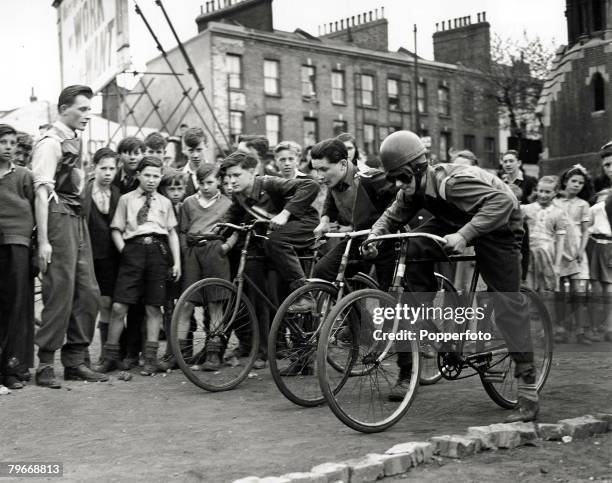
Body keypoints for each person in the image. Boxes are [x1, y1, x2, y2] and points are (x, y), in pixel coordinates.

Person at [364, 130, 539, 422]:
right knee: (412, 245)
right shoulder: (412, 188)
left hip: (500, 226)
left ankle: (529, 389)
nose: (398, 185)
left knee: (506, 304)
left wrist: (465, 234)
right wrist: (374, 237)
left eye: (402, 178)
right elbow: (392, 214)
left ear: (419, 169)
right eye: (393, 178)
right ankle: (425, 310)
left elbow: (502, 203)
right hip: (454, 219)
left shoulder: (452, 183)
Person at [31, 85, 107, 387]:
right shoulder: (50, 142)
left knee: (88, 291)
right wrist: (44, 240)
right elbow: (41, 193)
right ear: (64, 109)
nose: (88, 115)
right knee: (59, 290)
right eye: (83, 109)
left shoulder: (74, 138)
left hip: (76, 219)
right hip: (57, 217)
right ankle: (46, 365)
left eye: (90, 109)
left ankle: (75, 361)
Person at [221, 151, 319, 367]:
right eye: (228, 177)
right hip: (273, 245)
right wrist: (217, 231)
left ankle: (305, 297)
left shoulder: (269, 183)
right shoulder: (240, 196)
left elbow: (310, 186)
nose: (231, 181)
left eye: (236, 175)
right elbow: (233, 214)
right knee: (269, 298)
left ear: (252, 172)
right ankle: (273, 351)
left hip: (300, 230)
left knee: (291, 296)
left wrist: (285, 213)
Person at [97, 156, 181, 376]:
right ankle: (111, 357)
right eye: (147, 175)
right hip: (132, 250)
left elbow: (171, 232)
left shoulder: (164, 202)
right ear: (138, 175)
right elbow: (116, 228)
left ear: (160, 177)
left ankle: (150, 359)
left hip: (158, 251)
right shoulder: (126, 199)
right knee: (119, 306)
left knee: (153, 307)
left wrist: (177, 261)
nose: (151, 180)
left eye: (156, 176)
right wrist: (125, 251)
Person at [310, 138, 396, 288]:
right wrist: (324, 222)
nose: (319, 176)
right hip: (359, 238)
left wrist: (381, 230)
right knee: (323, 270)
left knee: (386, 296)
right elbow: (330, 204)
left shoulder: (370, 178)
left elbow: (401, 199)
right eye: (316, 169)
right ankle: (350, 308)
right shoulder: (334, 179)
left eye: (323, 169)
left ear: (343, 164)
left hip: (385, 240)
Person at [174, 164, 235, 370]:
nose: (206, 187)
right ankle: (180, 355)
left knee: (216, 304)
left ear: (218, 181)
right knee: (186, 303)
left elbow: (236, 230)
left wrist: (225, 247)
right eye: (201, 183)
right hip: (193, 252)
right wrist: (184, 252)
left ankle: (213, 354)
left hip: (215, 252)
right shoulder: (188, 203)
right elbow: (182, 230)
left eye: (210, 182)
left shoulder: (228, 203)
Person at [0, 124, 35, 391]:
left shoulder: (24, 176)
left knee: (17, 307)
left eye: (12, 142)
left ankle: (13, 368)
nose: (9, 147)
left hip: (18, 247)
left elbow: (35, 209)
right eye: (3, 142)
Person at [82, 147, 121, 364]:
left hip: (110, 258)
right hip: (87, 255)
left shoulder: (117, 194)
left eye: (112, 169)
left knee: (107, 303)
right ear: (93, 168)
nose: (107, 173)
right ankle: (81, 353)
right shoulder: (84, 192)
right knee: (86, 304)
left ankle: (107, 354)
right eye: (103, 168)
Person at [522, 176, 569, 343]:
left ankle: (546, 332)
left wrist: (557, 265)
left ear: (555, 193)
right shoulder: (526, 209)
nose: (543, 194)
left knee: (547, 293)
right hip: (529, 255)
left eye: (547, 192)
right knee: (527, 292)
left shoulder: (558, 213)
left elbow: (561, 240)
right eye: (540, 191)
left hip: (547, 255)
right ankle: (525, 333)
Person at [555, 165, 594, 344]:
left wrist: (580, 250)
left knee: (579, 292)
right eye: (574, 181)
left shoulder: (583, 204)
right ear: (565, 181)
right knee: (561, 292)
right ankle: (561, 329)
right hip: (560, 250)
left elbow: (586, 230)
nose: (577, 185)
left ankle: (580, 331)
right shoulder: (555, 203)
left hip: (578, 251)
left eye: (581, 182)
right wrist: (561, 252)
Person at [157, 168, 187, 369]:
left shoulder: (186, 207)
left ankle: (182, 351)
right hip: (166, 260)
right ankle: (170, 350)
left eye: (179, 188)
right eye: (171, 189)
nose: (175, 193)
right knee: (167, 308)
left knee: (183, 307)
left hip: (185, 260)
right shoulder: (161, 206)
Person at [587, 189, 612, 342]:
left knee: (609, 292)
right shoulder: (595, 209)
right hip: (597, 248)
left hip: (611, 248)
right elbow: (586, 229)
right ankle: (593, 327)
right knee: (596, 292)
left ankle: (609, 328)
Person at [181, 127, 208, 197]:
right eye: (191, 150)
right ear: (185, 150)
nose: (195, 155)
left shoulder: (216, 173)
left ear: (206, 146)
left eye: (199, 150)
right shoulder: (179, 176)